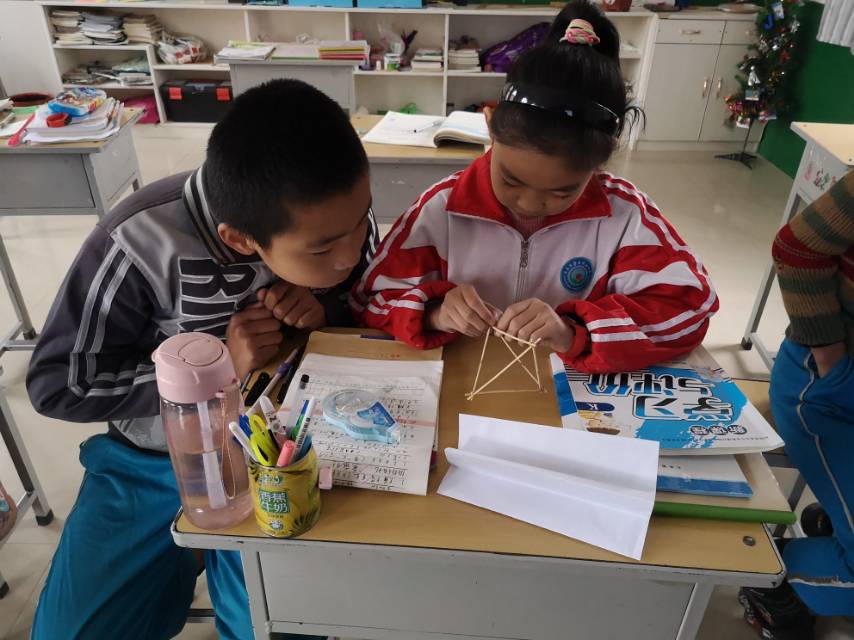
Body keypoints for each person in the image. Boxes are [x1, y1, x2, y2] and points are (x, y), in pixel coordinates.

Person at [26, 79, 378, 640]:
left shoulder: (337, 212)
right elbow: (59, 384)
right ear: (239, 239)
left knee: (275, 627)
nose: (352, 251)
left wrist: (324, 307)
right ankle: (182, 559)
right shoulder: (138, 240)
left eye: (362, 222)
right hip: (153, 462)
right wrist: (212, 372)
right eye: (324, 249)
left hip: (282, 458)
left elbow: (363, 301)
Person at [352, 0, 717, 372]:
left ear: (598, 166)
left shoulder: (624, 216)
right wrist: (434, 313)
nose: (529, 203)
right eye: (511, 179)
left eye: (562, 191)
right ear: (490, 127)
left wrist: (574, 332)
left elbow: (690, 310)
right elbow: (368, 301)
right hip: (463, 385)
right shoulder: (441, 209)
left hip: (565, 390)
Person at [740, 171, 854, 640]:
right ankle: (776, 578)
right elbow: (798, 247)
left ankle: (832, 535)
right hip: (831, 386)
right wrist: (830, 358)